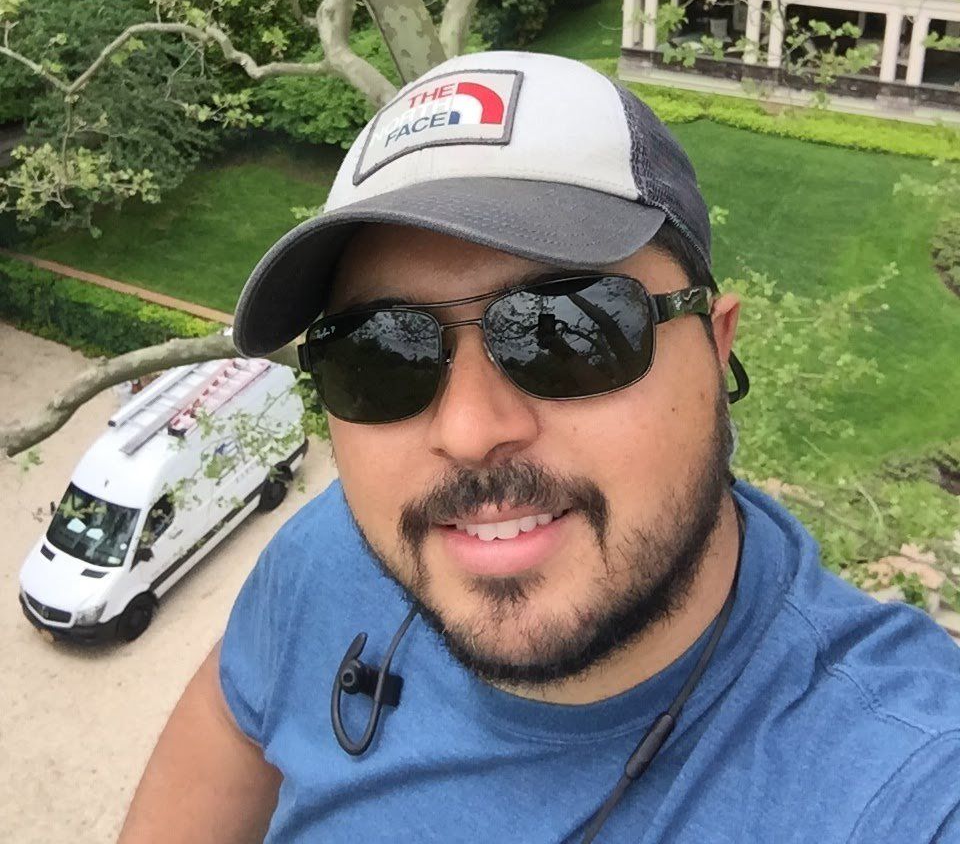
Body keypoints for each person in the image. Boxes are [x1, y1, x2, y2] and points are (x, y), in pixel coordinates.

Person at [117, 50, 960, 844]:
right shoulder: (329, 553)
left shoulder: (901, 777)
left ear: (716, 347)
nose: (471, 430)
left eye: (569, 333)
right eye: (380, 353)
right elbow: (235, 712)